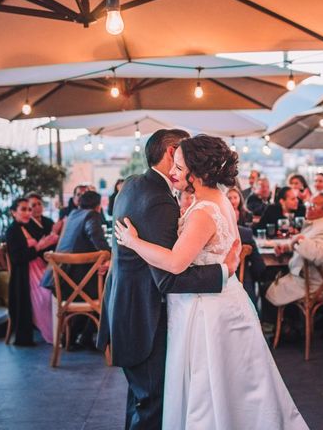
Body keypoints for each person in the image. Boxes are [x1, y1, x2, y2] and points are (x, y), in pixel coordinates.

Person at [114, 134, 308, 430]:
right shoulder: (215, 201)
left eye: (179, 167)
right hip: (217, 300)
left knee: (211, 387)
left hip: (206, 308)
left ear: (197, 171)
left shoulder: (204, 211)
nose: (174, 173)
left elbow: (176, 263)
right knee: (229, 387)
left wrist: (133, 241)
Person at [97, 129, 239, 430]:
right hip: (145, 317)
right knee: (152, 404)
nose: (177, 168)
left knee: (143, 401)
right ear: (172, 151)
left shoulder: (133, 185)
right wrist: (223, 271)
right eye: (177, 158)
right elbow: (169, 278)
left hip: (127, 308)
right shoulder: (160, 200)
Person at [54, 190, 111, 348]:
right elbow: (96, 237)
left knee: (96, 289)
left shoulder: (73, 214)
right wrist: (111, 255)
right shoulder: (91, 215)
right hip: (75, 282)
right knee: (109, 291)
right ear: (99, 206)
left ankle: (73, 338)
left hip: (62, 281)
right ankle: (96, 339)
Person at [267, 193, 323, 306]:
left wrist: (299, 239)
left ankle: (277, 322)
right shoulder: (320, 223)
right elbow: (307, 243)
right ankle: (289, 322)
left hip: (312, 284)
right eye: (308, 204)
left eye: (313, 205)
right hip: (307, 277)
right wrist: (287, 247)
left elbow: (319, 255)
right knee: (272, 277)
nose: (308, 207)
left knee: (266, 282)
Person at [5, 197, 58, 346]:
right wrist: (38, 247)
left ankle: (65, 332)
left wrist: (47, 244)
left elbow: (39, 249)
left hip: (39, 269)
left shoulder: (27, 227)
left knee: (60, 288)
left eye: (29, 209)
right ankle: (55, 333)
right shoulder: (12, 231)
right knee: (49, 296)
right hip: (25, 276)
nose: (28, 212)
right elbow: (17, 258)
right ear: (13, 212)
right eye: (23, 209)